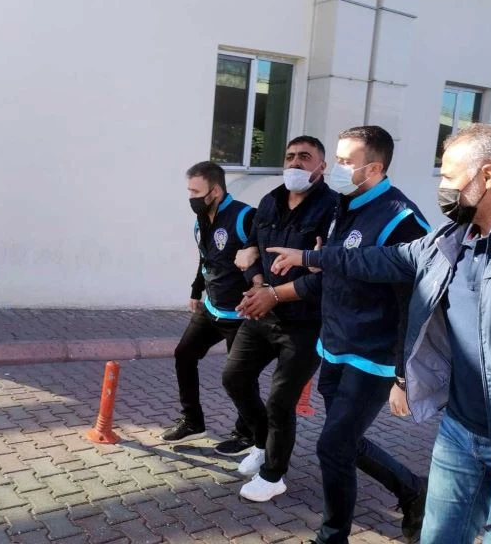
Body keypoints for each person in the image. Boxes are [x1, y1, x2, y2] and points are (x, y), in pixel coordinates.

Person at [269, 123, 491, 543]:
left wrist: (399, 375)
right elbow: (376, 260)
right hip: (459, 429)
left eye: (449, 176)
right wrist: (310, 257)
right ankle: (410, 494)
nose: (442, 187)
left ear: (487, 176)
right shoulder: (447, 240)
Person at [262, 126, 429, 543]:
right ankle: (413, 491)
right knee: (344, 441)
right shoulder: (345, 204)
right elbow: (334, 273)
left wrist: (403, 373)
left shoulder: (402, 220)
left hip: (373, 357)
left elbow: (415, 304)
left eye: (343, 161)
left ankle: (332, 536)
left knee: (333, 446)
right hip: (335, 347)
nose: (334, 168)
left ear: (373, 168)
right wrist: (287, 286)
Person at [220, 136, 337, 503]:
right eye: (290, 156)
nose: (295, 163)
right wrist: (257, 286)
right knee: (234, 377)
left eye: (305, 157)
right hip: (263, 312)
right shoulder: (270, 200)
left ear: (322, 166)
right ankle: (261, 443)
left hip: (306, 323)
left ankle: (273, 475)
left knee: (281, 400)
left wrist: (273, 294)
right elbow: (250, 250)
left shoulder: (334, 209)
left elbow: (327, 274)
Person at [160, 161, 255, 454]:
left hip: (240, 314)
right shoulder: (201, 219)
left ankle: (247, 434)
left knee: (240, 377)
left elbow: (261, 256)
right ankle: (193, 421)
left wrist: (259, 291)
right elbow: (206, 258)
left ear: (215, 190)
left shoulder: (245, 216)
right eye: (189, 191)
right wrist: (196, 290)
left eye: (196, 192)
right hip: (211, 308)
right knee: (184, 355)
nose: (191, 197)